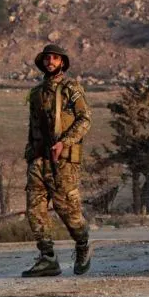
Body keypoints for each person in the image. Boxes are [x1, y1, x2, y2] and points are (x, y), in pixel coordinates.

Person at [22, 44, 93, 277]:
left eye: (54, 58)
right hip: (39, 159)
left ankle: (82, 245)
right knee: (35, 209)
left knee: (68, 210)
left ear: (62, 62)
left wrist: (65, 141)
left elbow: (84, 119)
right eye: (47, 58)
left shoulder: (71, 88)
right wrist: (31, 152)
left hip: (62, 160)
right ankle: (47, 257)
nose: (50, 61)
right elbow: (33, 127)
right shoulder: (36, 93)